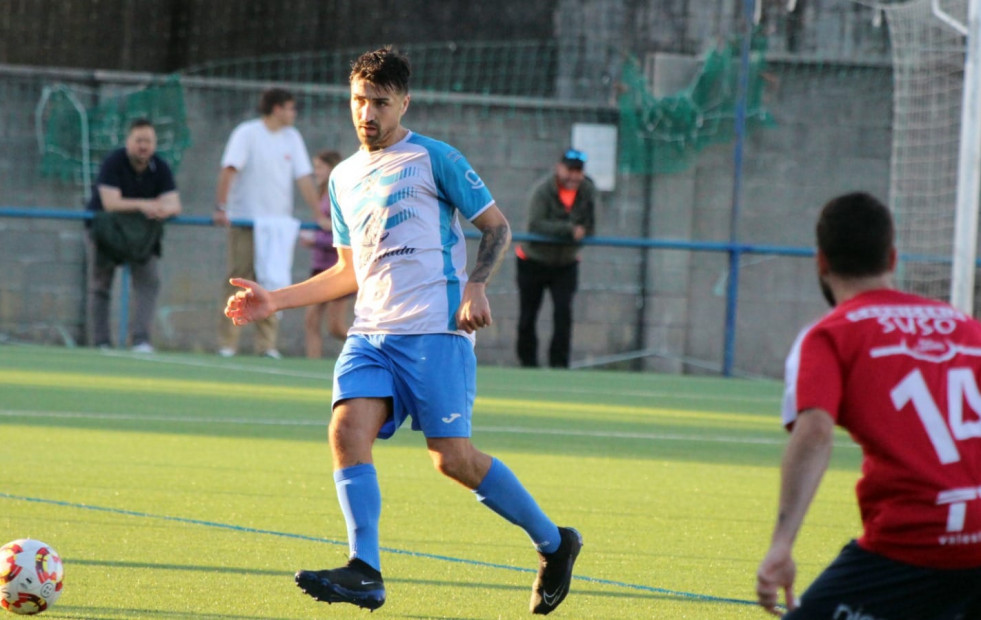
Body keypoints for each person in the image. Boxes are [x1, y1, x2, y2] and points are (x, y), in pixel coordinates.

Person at [224, 47, 581, 615]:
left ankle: (555, 543)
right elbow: (347, 271)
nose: (367, 113)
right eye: (359, 101)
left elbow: (496, 227)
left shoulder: (435, 158)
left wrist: (475, 287)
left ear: (403, 102)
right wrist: (276, 301)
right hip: (371, 335)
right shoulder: (341, 178)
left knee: (453, 460)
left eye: (380, 103)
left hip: (435, 333)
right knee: (346, 430)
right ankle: (365, 568)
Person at [756, 192, 981, 619]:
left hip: (914, 542)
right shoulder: (967, 327)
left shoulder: (829, 335)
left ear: (821, 261)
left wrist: (782, 545)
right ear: (893, 258)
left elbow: (815, 432)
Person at [213, 87, 324, 359]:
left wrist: (317, 214)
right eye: (290, 107)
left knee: (273, 282)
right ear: (276, 109)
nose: (293, 113)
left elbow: (304, 178)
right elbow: (229, 169)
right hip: (246, 221)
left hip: (278, 226)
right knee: (239, 278)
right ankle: (228, 343)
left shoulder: (292, 138)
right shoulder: (247, 133)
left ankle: (267, 345)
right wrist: (221, 206)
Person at [84, 118, 182, 353]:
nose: (143, 146)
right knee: (100, 285)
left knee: (149, 281)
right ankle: (101, 342)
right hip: (107, 232)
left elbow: (174, 205)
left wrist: (161, 209)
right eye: (139, 140)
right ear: (128, 142)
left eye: (148, 141)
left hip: (141, 236)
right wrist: (145, 204)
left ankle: (141, 340)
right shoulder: (113, 162)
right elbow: (110, 202)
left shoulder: (160, 167)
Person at [515, 148, 596, 368]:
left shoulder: (587, 190)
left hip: (566, 264)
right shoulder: (542, 191)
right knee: (528, 315)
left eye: (578, 171)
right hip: (533, 261)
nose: (573, 176)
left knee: (563, 314)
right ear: (559, 168)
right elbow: (536, 224)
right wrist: (569, 230)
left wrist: (581, 232)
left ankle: (559, 364)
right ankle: (527, 363)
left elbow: (590, 225)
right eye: (570, 169)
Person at [298, 149, 352, 359]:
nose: (316, 171)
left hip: (338, 268)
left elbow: (345, 233)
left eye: (320, 167)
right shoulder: (321, 192)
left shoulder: (341, 193)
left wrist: (317, 239)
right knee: (311, 320)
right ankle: (312, 363)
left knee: (336, 327)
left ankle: (376, 351)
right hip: (319, 266)